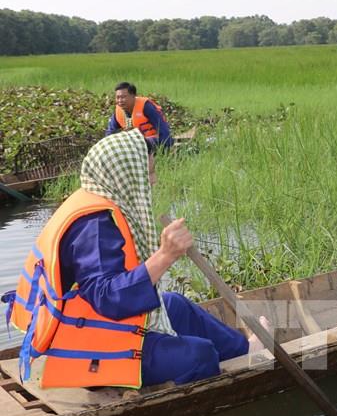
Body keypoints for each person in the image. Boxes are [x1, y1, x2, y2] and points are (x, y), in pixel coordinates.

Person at [6, 130, 258, 389]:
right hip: (89, 351)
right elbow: (108, 298)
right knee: (199, 355)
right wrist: (165, 255)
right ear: (123, 175)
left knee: (176, 304)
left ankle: (245, 351)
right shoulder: (94, 225)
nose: (153, 180)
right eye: (147, 173)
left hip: (91, 328)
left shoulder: (96, 199)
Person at [105, 82, 173, 149]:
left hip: (152, 143)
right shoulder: (118, 111)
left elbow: (165, 135)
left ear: (133, 96)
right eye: (117, 97)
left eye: (123, 97)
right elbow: (110, 134)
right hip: (133, 144)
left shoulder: (147, 107)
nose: (120, 100)